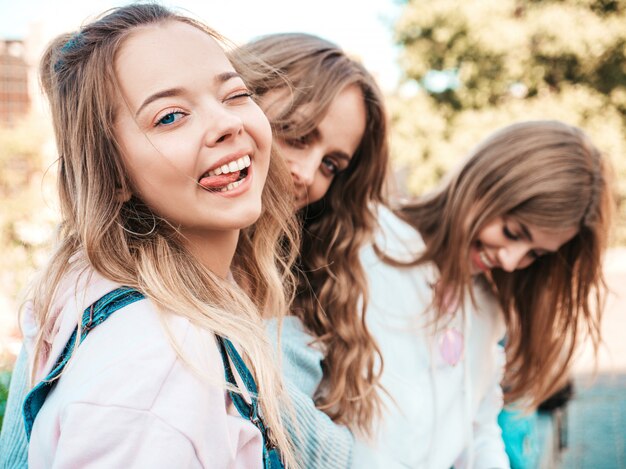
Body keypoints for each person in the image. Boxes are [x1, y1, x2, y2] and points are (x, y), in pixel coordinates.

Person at [0, 4, 301, 467]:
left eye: (234, 95)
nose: (227, 124)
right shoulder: (158, 362)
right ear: (114, 175)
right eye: (170, 117)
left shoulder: (139, 304)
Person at [352, 120, 612, 467]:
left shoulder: (488, 309)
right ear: (487, 181)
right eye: (512, 232)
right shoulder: (369, 244)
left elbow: (478, 429)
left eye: (534, 254)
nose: (509, 260)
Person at [236, 33, 390, 441]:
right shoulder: (133, 273)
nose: (307, 173)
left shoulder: (312, 286)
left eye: (331, 166)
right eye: (298, 135)